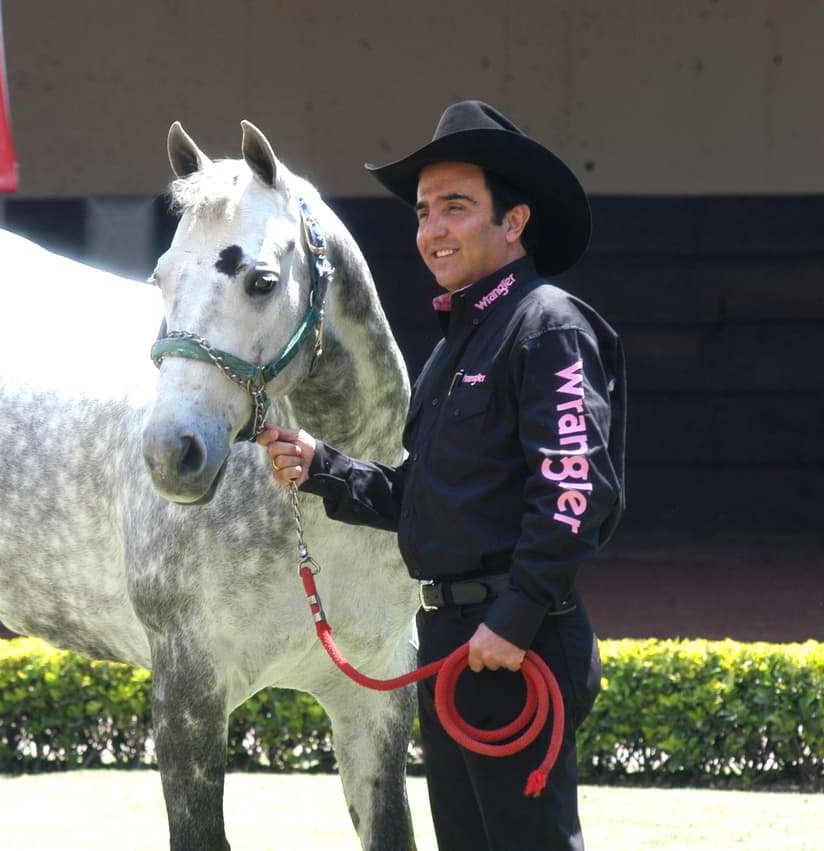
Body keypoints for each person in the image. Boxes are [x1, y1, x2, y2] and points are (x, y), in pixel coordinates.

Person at [257, 100, 626, 850]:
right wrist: (322, 467)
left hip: (513, 642)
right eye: (424, 212)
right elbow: (429, 499)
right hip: (454, 639)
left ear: (514, 221)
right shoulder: (460, 341)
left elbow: (572, 496)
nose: (431, 229)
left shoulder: (546, 324)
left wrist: (514, 618)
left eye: (455, 207)